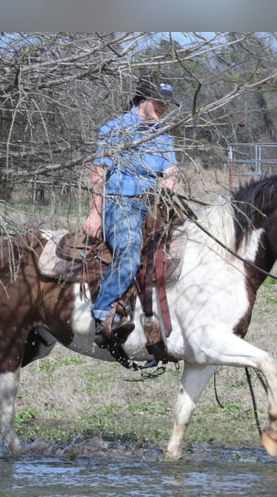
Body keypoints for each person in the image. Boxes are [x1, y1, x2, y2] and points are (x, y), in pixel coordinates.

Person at [83, 72, 182, 349]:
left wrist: (171, 179)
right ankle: (102, 314)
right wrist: (95, 213)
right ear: (144, 98)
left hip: (153, 206)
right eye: (159, 101)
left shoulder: (162, 134)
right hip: (120, 203)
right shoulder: (115, 130)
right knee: (129, 252)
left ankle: (161, 326)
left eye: (166, 103)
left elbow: (172, 169)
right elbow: (98, 174)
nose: (163, 108)